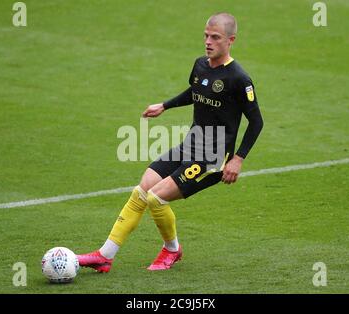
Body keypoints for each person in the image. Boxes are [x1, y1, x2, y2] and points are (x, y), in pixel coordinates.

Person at [77, 12, 264, 272]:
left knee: (155, 198)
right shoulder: (200, 65)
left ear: (230, 40)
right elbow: (195, 91)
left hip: (213, 157)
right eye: (206, 35)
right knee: (141, 190)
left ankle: (172, 251)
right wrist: (165, 106)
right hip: (191, 144)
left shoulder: (239, 79)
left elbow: (256, 121)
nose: (208, 41)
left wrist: (238, 159)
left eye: (215, 37)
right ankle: (105, 255)